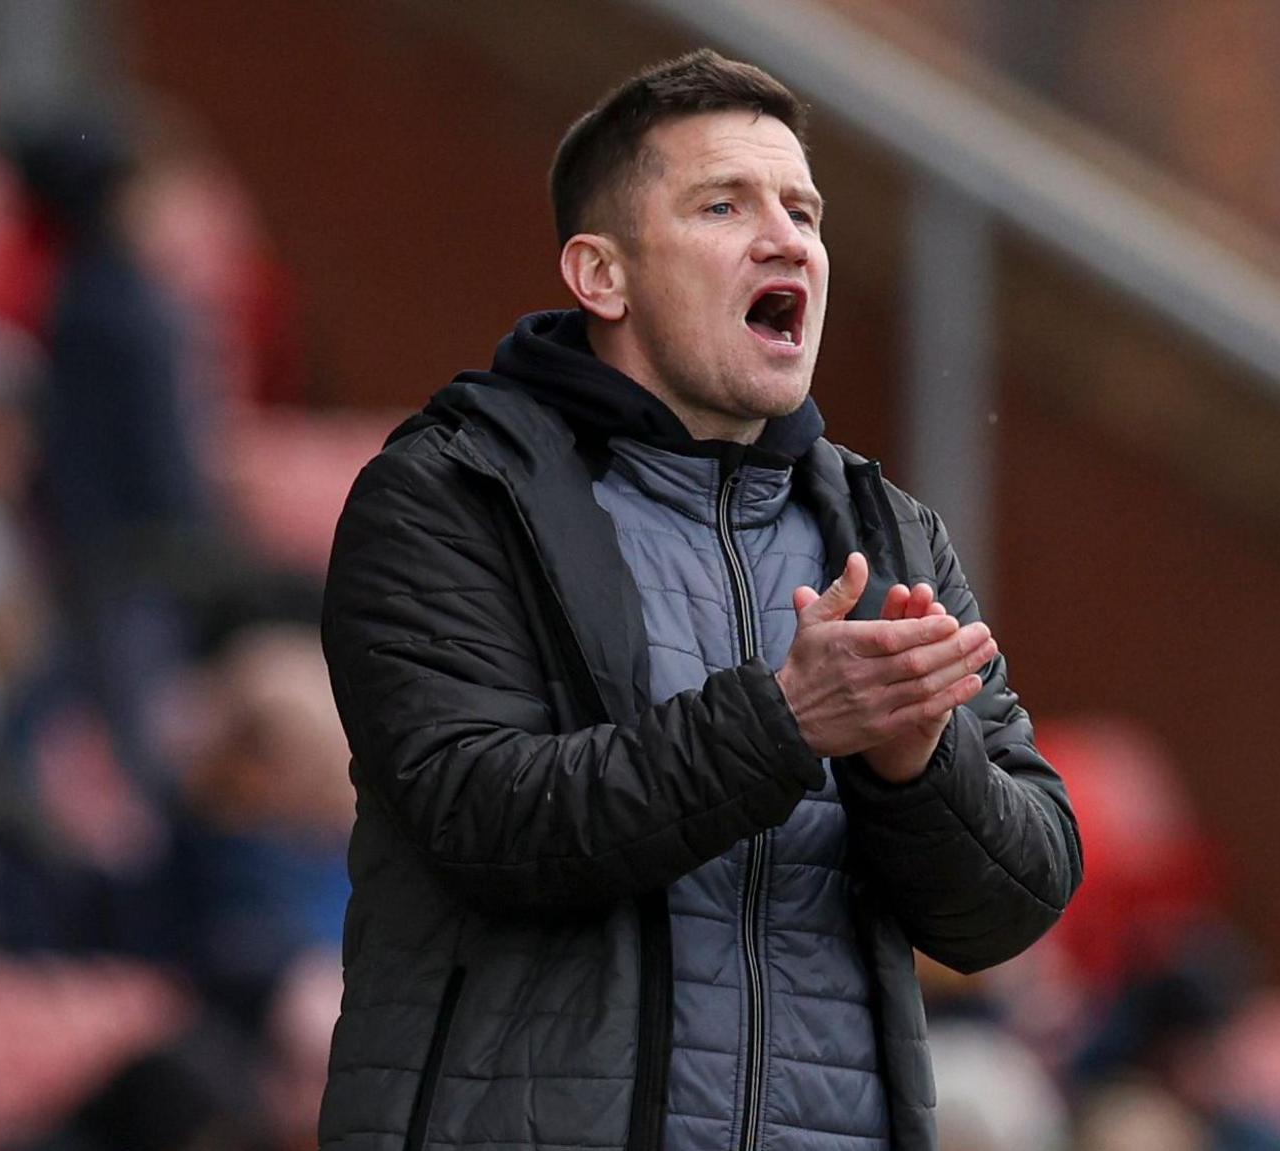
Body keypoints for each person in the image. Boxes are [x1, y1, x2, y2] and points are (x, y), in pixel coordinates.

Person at [316, 49, 1081, 1151]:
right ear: (601, 276)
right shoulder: (453, 491)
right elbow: (483, 817)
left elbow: (1009, 902)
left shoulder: (886, 528)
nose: (786, 238)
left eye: (802, 210)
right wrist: (784, 723)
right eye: (723, 204)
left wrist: (917, 764)